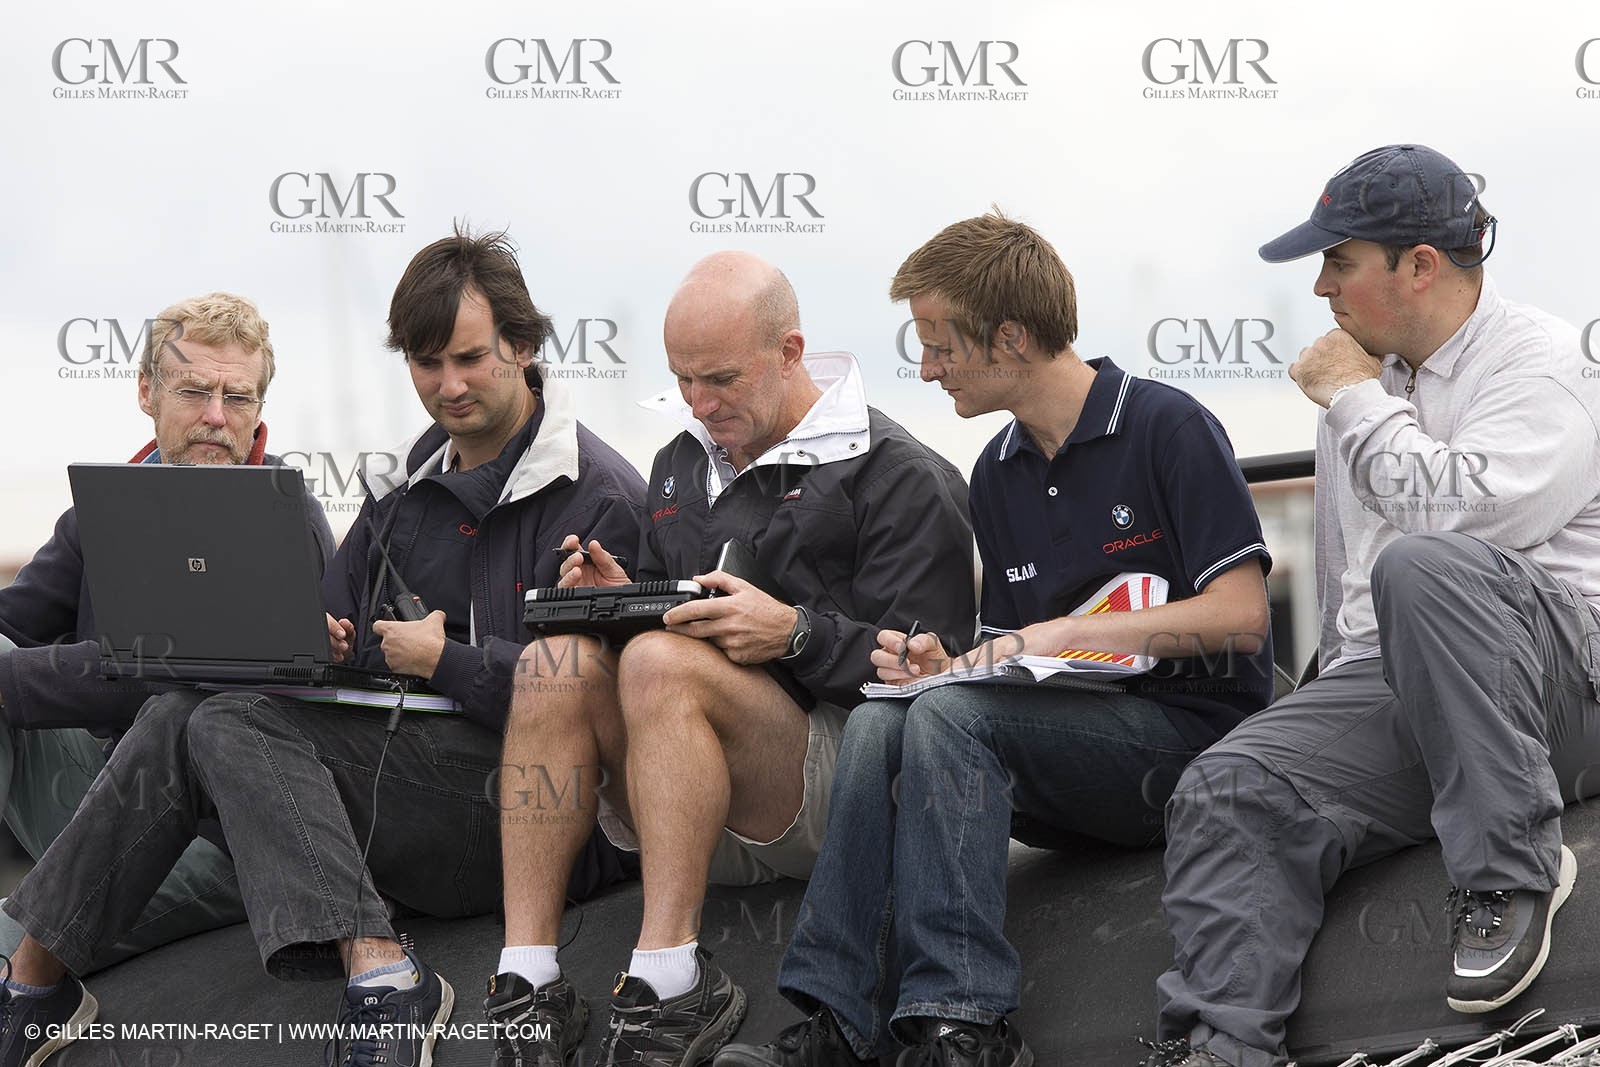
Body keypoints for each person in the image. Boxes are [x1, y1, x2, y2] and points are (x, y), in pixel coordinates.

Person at [0, 227, 645, 1067]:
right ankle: (35, 983)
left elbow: (600, 708)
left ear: (523, 347)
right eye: (426, 362)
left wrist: (444, 660)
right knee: (189, 708)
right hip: (392, 791)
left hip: (525, 821)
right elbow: (318, 647)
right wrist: (328, 643)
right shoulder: (399, 494)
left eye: (468, 358)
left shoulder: (602, 496)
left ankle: (386, 975)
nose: (448, 385)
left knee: (217, 715)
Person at [716, 211, 1276, 1067]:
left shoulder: (1168, 425)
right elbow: (1016, 659)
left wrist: (1065, 631)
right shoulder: (996, 471)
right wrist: (947, 665)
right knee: (882, 717)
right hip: (1065, 751)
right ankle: (837, 1021)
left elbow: (1242, 616)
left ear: (1010, 337)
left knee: (948, 718)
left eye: (938, 344)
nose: (926, 367)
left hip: (1192, 748)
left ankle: (963, 1024)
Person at [1145, 145, 1600, 1067]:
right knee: (1229, 782)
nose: (1320, 287)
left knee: (1424, 566)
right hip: (1416, 693)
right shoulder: (1365, 385)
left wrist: (1353, 399)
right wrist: (1313, 726)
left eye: (1338, 261)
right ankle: (1223, 1047)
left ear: (1419, 264)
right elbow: (1351, 593)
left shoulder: (1544, 364)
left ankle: (1513, 867)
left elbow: (1459, 518)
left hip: (1565, 691)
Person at [481, 250, 976, 1067]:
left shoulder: (904, 473)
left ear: (789, 352)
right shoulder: (678, 462)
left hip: (841, 794)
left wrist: (796, 634)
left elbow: (936, 686)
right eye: (683, 379)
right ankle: (527, 978)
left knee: (659, 664)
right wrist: (621, 602)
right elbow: (666, 623)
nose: (700, 404)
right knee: (553, 662)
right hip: (685, 787)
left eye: (720, 379)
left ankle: (672, 979)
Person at [0, 292, 335, 970]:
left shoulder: (283, 516)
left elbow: (174, 673)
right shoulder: (105, 510)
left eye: (236, 397)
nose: (216, 416)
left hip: (213, 839)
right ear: (147, 391)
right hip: (103, 798)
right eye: (193, 391)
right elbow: (13, 624)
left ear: (258, 410)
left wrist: (13, 682)